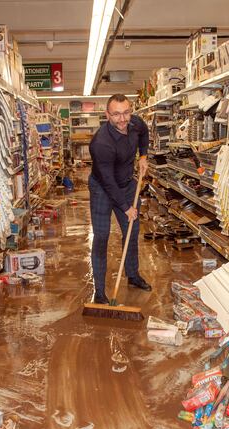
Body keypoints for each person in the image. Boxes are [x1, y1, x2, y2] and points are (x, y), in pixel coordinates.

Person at [88, 93, 151, 304]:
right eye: (116, 115)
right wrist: (126, 207)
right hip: (102, 188)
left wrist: (143, 156)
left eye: (126, 113)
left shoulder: (135, 123)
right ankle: (99, 291)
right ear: (107, 115)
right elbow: (107, 182)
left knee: (131, 233)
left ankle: (132, 275)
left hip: (126, 183)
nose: (122, 119)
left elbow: (144, 133)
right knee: (102, 236)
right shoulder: (101, 143)